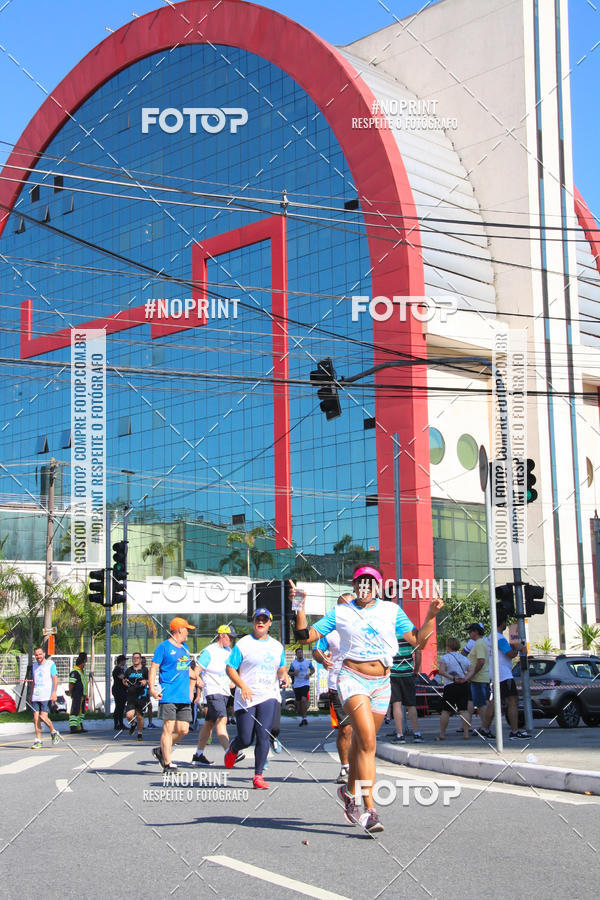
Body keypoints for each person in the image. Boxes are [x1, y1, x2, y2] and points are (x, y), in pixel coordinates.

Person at [294, 565, 443, 834]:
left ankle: (348, 792)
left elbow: (418, 642)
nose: (365, 587)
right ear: (354, 586)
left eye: (370, 583)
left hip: (382, 683)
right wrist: (299, 606)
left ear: (377, 587)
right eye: (360, 583)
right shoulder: (341, 612)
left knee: (362, 744)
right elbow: (305, 637)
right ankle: (370, 810)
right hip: (352, 679)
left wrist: (431, 616)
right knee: (369, 742)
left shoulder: (391, 611)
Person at [224, 608, 290, 790]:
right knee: (246, 739)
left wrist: (285, 675)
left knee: (263, 734)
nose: (260, 622)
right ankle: (233, 749)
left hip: (268, 695)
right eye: (257, 620)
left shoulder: (277, 646)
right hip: (247, 696)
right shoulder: (244, 644)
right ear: (253, 622)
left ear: (269, 623)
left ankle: (258, 775)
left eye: (264, 620)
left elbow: (282, 667)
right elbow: (230, 668)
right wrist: (242, 685)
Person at [312, 592, 353, 783]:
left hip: (365, 684)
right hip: (337, 684)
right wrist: (323, 659)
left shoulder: (367, 626)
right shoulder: (330, 630)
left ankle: (361, 765)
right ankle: (345, 768)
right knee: (345, 729)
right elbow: (317, 650)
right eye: (342, 606)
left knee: (363, 729)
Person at [192, 625, 244, 766]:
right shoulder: (209, 651)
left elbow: (232, 670)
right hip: (213, 691)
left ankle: (198, 754)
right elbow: (197, 670)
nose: (231, 640)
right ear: (221, 635)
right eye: (230, 637)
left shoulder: (229, 651)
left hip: (225, 692)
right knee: (222, 720)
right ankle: (230, 752)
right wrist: (199, 679)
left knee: (209, 723)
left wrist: (233, 681)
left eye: (233, 638)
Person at [149, 617, 195, 772]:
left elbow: (186, 668)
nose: (188, 632)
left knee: (184, 730)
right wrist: (152, 689)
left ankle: (162, 750)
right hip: (168, 694)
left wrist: (197, 679)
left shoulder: (185, 648)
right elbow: (154, 668)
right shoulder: (164, 647)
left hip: (183, 696)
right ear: (179, 630)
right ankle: (168, 764)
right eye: (187, 629)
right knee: (168, 728)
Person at [481, 616, 530, 740]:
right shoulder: (500, 638)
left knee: (495, 702)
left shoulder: (490, 637)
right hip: (504, 674)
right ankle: (514, 731)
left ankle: (485, 729)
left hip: (495, 673)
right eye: (505, 623)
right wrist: (518, 649)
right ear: (502, 623)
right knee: (513, 701)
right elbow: (510, 654)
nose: (506, 625)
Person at [436, 638, 471, 740]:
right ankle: (466, 734)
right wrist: (465, 678)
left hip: (450, 685)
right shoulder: (464, 658)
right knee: (463, 710)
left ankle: (442, 734)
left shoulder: (445, 658)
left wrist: (453, 678)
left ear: (448, 646)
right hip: (463, 685)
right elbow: (471, 669)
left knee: (446, 710)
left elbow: (441, 672)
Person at [389, 638, 422, 744]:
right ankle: (417, 733)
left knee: (396, 704)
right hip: (408, 673)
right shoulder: (409, 634)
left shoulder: (390, 634)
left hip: (393, 673)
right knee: (411, 704)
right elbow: (418, 652)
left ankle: (400, 735)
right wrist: (416, 670)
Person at [464, 623, 491, 737]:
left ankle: (485, 728)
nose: (469, 634)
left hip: (478, 679)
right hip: (481, 678)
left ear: (475, 631)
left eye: (470, 631)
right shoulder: (481, 642)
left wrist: (471, 674)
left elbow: (481, 661)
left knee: (481, 704)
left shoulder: (479, 643)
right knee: (482, 703)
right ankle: (484, 727)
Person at [29, 647, 60, 748]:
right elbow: (34, 681)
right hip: (36, 696)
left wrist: (54, 693)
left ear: (44, 654)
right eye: (36, 655)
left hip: (46, 695)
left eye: (40, 654)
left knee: (43, 716)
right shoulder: (34, 666)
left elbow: (55, 679)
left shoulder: (50, 664)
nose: (38, 656)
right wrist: (31, 694)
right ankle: (38, 740)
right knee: (36, 718)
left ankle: (53, 732)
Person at [124, 652, 150, 741]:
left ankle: (139, 733)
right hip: (131, 696)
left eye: (137, 658)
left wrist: (145, 682)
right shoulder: (129, 670)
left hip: (141, 696)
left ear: (140, 659)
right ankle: (133, 724)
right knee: (128, 715)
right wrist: (125, 682)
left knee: (139, 716)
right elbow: (125, 679)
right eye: (134, 658)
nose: (135, 659)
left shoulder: (145, 670)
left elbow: (150, 680)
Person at [288, 647, 314, 726]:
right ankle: (302, 716)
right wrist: (293, 673)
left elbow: (313, 669)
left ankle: (304, 718)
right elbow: (289, 672)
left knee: (303, 699)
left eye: (301, 652)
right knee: (298, 704)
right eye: (298, 653)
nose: (300, 654)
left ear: (303, 653)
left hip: (305, 683)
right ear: (296, 654)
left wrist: (309, 674)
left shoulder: (307, 662)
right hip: (297, 684)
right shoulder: (293, 663)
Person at [67, 652, 88, 733]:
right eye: (84, 663)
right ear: (81, 663)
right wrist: (70, 692)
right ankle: (73, 727)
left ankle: (79, 726)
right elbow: (71, 684)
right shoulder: (75, 672)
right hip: (77, 694)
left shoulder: (82, 671)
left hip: (82, 695)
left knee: (81, 712)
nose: (85, 664)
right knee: (75, 711)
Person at [112, 654, 127, 732]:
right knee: (118, 707)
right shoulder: (117, 669)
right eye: (124, 660)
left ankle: (121, 723)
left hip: (122, 690)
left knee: (121, 707)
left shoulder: (121, 669)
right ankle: (117, 724)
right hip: (118, 690)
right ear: (121, 661)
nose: (125, 662)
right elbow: (122, 677)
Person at [141, 656, 157, 727]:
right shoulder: (138, 670)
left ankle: (150, 723)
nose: (144, 663)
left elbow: (148, 680)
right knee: (142, 707)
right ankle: (141, 723)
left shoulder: (145, 669)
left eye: (145, 662)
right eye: (143, 662)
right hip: (140, 691)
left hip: (145, 689)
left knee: (149, 706)